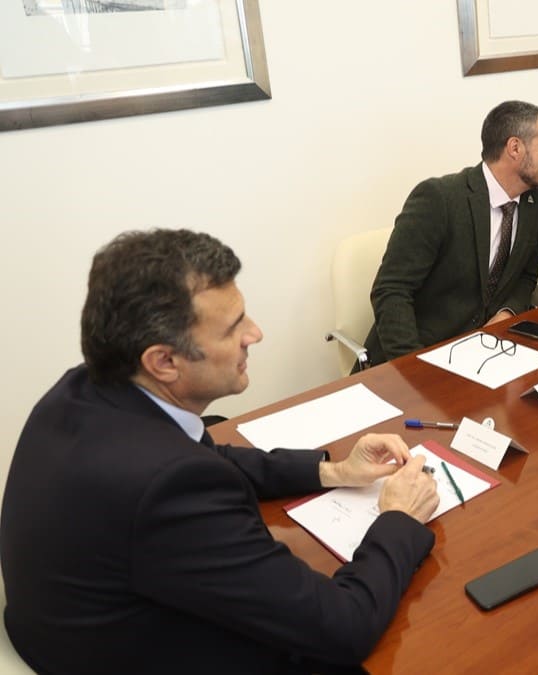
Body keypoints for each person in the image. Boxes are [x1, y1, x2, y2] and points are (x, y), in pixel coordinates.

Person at [1, 229, 440, 674]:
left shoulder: (88, 387)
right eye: (234, 328)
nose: (256, 334)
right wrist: (398, 518)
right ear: (164, 362)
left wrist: (334, 471)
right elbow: (345, 626)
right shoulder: (166, 487)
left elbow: (201, 457)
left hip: (64, 631)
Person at [364, 100, 538, 362]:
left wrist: (507, 313)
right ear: (515, 148)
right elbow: (391, 290)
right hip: (420, 352)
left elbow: (526, 276)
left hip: (486, 354)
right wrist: (413, 366)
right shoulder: (439, 199)